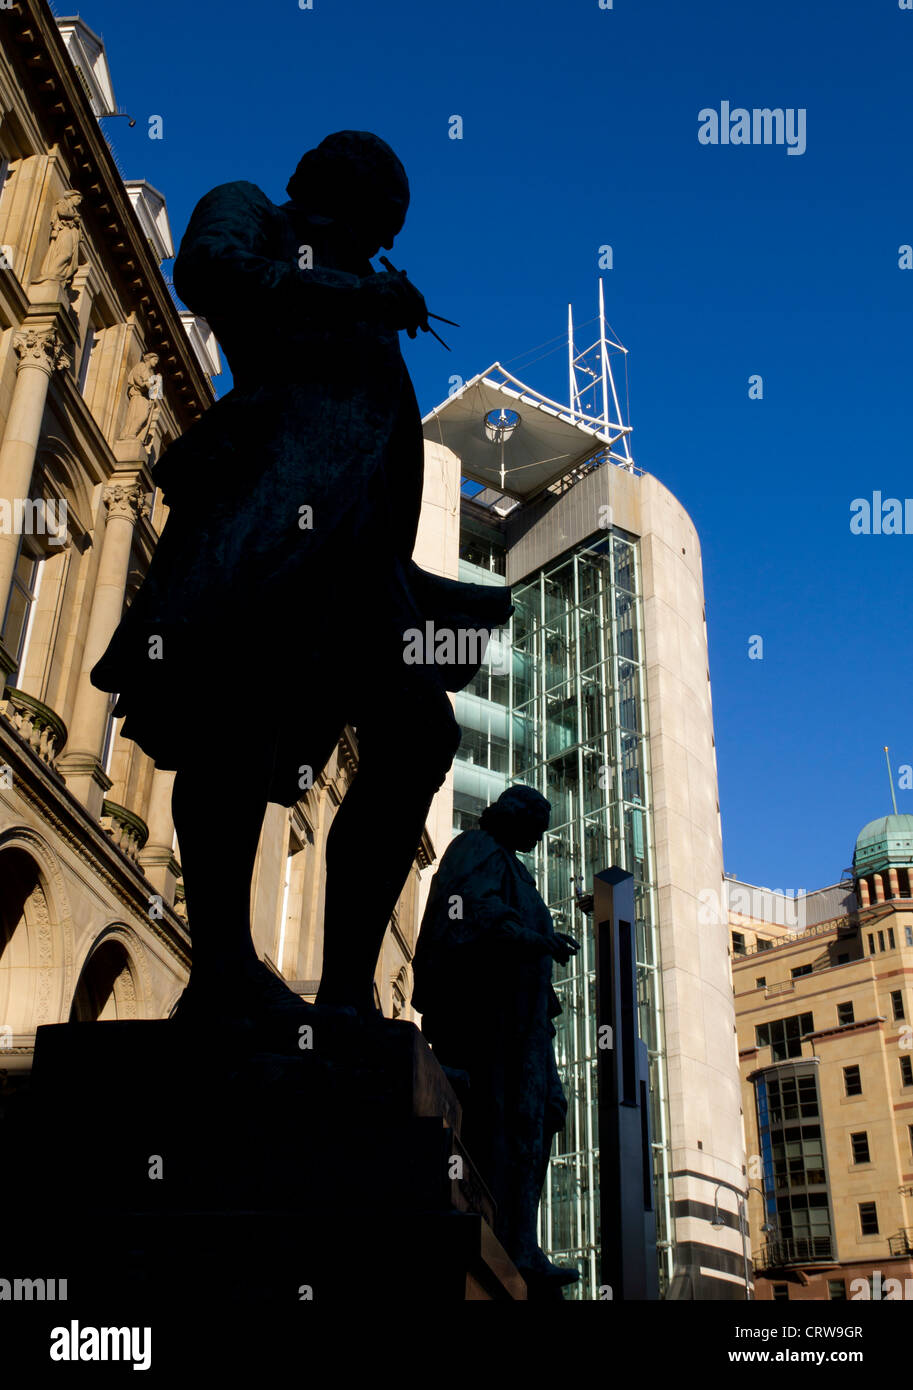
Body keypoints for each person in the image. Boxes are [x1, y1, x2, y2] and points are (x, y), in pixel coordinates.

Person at [90, 131, 512, 1023]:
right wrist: (355, 291)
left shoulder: (351, 274)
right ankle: (225, 970)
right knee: (237, 726)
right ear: (329, 196)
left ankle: (350, 993)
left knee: (414, 736)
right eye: (371, 225)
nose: (376, 247)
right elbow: (209, 271)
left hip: (359, 557)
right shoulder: (250, 208)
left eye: (381, 237)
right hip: (269, 524)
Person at [412, 785, 581, 1296]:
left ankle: (518, 1239)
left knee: (547, 1110)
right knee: (512, 1118)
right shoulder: (477, 848)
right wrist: (536, 941)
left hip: (524, 1019)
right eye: (536, 825)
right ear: (513, 816)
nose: (538, 837)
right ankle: (510, 1239)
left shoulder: (512, 864)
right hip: (490, 1016)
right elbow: (467, 912)